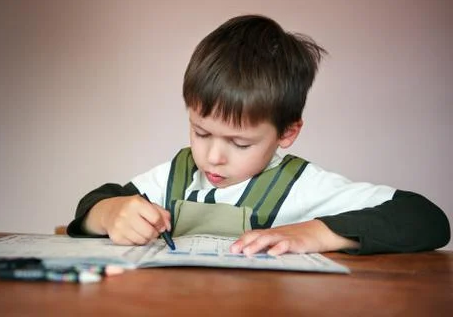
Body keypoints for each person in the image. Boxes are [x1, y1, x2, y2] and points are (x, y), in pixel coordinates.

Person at [67, 14, 450, 255]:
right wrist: (109, 213)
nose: (213, 157)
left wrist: (317, 234)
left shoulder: (304, 185)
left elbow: (426, 219)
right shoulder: (177, 175)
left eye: (240, 143)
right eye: (201, 132)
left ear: (287, 132)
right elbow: (95, 202)